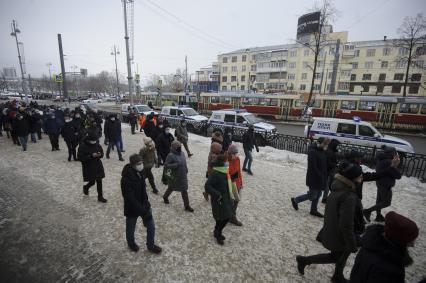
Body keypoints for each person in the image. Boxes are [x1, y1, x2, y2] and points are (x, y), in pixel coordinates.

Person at [296, 162, 364, 283]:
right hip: (341, 234)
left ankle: (337, 275)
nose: (362, 178)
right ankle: (305, 260)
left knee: (339, 256)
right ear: (353, 178)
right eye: (360, 176)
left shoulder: (338, 188)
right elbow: (346, 224)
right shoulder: (348, 196)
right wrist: (352, 244)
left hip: (335, 230)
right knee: (336, 256)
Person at [349, 211, 419, 283]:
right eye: (410, 240)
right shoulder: (388, 270)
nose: (413, 245)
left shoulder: (370, 245)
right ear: (399, 240)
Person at [121, 154, 162, 254]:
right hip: (132, 208)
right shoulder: (126, 178)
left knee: (151, 225)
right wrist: (143, 211)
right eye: (139, 164)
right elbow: (130, 198)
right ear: (133, 165)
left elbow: (143, 189)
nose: (141, 165)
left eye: (142, 163)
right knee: (130, 228)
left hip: (144, 205)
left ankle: (151, 245)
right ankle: (131, 243)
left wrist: (146, 202)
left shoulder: (141, 172)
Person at [291, 137, 330, 217]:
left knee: (318, 194)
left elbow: (323, 165)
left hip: (321, 177)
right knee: (313, 195)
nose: (326, 146)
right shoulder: (312, 152)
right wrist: (320, 175)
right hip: (314, 177)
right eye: (325, 144)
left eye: (327, 145)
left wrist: (324, 175)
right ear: (320, 143)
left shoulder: (322, 151)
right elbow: (313, 167)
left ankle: (313, 210)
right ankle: (296, 200)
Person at [363, 146, 401, 222]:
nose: (395, 154)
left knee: (379, 200)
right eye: (395, 153)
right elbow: (398, 176)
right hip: (386, 185)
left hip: (380, 182)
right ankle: (367, 211)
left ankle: (378, 215)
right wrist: (395, 166)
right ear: (392, 153)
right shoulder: (389, 162)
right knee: (386, 203)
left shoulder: (381, 159)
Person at [204, 154, 234, 245]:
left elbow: (226, 181)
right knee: (223, 217)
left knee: (225, 217)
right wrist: (218, 195)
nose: (227, 162)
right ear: (222, 163)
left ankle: (217, 232)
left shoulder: (224, 170)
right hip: (219, 199)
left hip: (226, 197)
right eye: (226, 161)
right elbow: (207, 186)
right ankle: (217, 233)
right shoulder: (216, 173)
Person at [163, 141, 194, 212]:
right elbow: (166, 165)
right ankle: (165, 197)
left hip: (183, 175)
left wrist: (186, 169)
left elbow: (184, 162)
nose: (180, 148)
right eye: (178, 147)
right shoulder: (170, 155)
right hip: (175, 176)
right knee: (171, 188)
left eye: (180, 146)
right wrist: (175, 165)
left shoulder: (182, 153)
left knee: (184, 190)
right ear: (174, 147)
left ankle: (187, 205)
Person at [77, 133, 107, 203]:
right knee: (92, 182)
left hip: (98, 165)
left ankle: (100, 196)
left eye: (95, 140)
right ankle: (86, 187)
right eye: (93, 140)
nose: (94, 142)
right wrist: (91, 156)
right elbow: (80, 157)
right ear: (88, 140)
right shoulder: (82, 146)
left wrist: (100, 154)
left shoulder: (97, 144)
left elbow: (102, 152)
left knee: (99, 181)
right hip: (88, 166)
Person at [227, 143, 243, 226]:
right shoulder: (226, 161)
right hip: (230, 184)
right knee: (231, 201)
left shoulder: (237, 159)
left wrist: (241, 182)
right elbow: (225, 175)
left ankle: (232, 216)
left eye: (236, 153)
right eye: (234, 154)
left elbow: (239, 171)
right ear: (230, 153)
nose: (236, 155)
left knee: (236, 200)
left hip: (237, 183)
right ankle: (232, 217)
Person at [322, 139, 341, 203]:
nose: (337, 146)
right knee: (328, 185)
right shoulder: (329, 152)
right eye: (337, 145)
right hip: (328, 171)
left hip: (330, 170)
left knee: (329, 185)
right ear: (334, 145)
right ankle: (324, 198)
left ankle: (325, 198)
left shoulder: (331, 151)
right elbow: (328, 162)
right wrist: (336, 164)